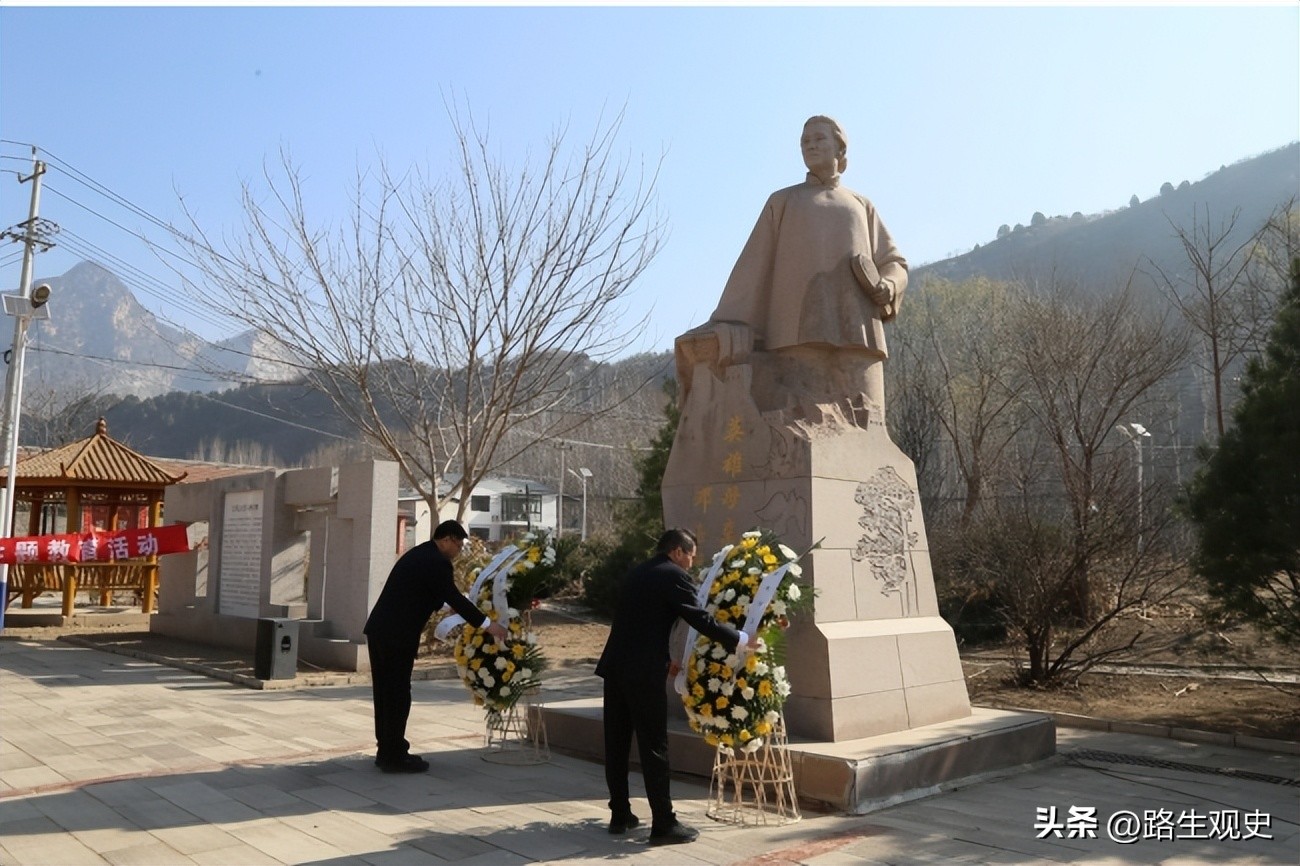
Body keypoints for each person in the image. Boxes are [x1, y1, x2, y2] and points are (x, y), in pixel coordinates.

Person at [700, 115, 909, 419]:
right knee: (799, 426)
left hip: (859, 332)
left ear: (840, 150)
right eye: (805, 141)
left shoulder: (861, 205)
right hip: (796, 335)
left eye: (819, 139)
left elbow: (895, 263)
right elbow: (753, 266)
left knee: (869, 425)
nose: (810, 145)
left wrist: (888, 286)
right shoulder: (784, 201)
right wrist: (729, 322)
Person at [596, 528, 758, 845]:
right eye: (691, 556)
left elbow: (643, 623)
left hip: (616, 667)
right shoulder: (673, 574)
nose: (691, 563)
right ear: (677, 551)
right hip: (643, 674)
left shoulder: (639, 572)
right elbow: (699, 618)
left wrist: (667, 656)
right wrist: (740, 639)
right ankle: (664, 824)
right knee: (654, 746)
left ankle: (620, 815)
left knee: (616, 743)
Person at [363, 519, 507, 773]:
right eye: (459, 545)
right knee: (397, 694)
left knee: (385, 693)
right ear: (447, 540)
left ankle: (386, 750)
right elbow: (451, 596)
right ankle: (395, 755)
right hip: (396, 634)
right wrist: (489, 625)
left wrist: (447, 604)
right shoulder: (437, 562)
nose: (459, 550)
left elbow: (427, 593)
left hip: (381, 631)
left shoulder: (421, 554)